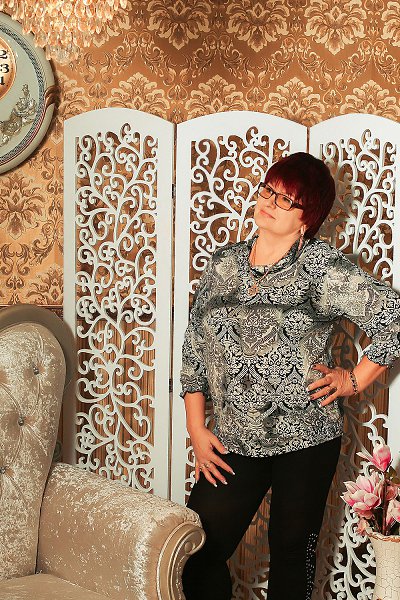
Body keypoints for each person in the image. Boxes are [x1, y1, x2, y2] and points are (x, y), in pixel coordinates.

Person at [179, 151, 400, 600]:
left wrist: (353, 379)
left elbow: (392, 316)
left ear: (307, 217)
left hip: (307, 437)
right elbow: (194, 347)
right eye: (268, 190)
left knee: (291, 558)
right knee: (192, 554)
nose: (269, 202)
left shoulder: (320, 267)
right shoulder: (223, 263)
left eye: (286, 199)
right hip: (234, 439)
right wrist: (196, 428)